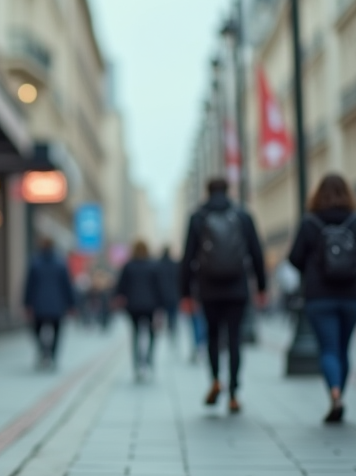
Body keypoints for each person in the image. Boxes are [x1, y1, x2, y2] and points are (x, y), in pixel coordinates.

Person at [288, 174, 356, 424]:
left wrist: (313, 265)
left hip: (319, 297)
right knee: (343, 349)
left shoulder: (309, 222)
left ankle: (334, 394)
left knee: (327, 348)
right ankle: (339, 395)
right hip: (351, 296)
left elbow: (294, 258)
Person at [180, 177, 267, 413]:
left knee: (213, 336)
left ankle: (216, 380)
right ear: (228, 190)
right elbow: (257, 252)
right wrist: (261, 287)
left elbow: (188, 257)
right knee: (235, 338)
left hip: (208, 288)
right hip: (237, 287)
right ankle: (234, 393)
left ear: (207, 191)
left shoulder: (197, 217)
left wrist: (185, 292)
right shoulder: (242, 216)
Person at [114, 240, 164, 380]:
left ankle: (137, 365)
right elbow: (159, 287)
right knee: (152, 334)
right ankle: (148, 359)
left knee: (136, 335)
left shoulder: (128, 266)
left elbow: (120, 287)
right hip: (150, 306)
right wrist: (161, 306)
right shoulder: (153, 266)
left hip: (133, 306)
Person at [23, 236, 75, 370]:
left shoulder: (35, 263)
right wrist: (71, 304)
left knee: (36, 329)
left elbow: (29, 285)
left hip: (39, 304)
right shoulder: (60, 263)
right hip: (57, 305)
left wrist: (27, 303)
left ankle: (42, 350)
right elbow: (67, 286)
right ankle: (52, 355)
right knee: (57, 331)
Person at [156, 246, 181, 339]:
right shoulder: (174, 265)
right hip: (174, 294)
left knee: (163, 314)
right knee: (173, 315)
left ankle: (168, 329)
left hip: (162, 294)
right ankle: (172, 329)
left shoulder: (158, 265)